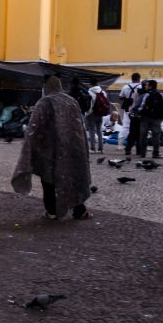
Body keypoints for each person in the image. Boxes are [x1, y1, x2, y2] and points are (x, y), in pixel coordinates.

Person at [12, 76, 92, 220]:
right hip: (72, 148)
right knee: (73, 177)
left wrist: (29, 145)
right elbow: (79, 127)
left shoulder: (45, 102)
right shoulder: (71, 101)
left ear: (46, 86)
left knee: (48, 180)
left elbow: (33, 127)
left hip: (49, 150)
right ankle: (79, 210)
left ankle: (52, 211)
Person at [133, 79, 163, 159]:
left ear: (150, 86)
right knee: (156, 135)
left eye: (147, 85)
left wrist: (138, 114)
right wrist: (162, 117)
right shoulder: (160, 95)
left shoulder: (146, 95)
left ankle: (142, 153)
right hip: (157, 118)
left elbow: (142, 106)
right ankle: (156, 153)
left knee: (143, 135)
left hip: (145, 118)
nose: (145, 86)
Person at [119, 72, 143, 154]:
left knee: (125, 126)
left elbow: (120, 97)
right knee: (138, 129)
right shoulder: (141, 87)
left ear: (131, 78)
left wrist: (127, 98)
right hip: (138, 111)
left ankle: (121, 143)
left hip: (127, 109)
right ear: (139, 79)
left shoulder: (125, 87)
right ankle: (138, 148)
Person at [85, 83, 109, 153]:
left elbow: (89, 104)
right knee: (99, 130)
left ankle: (92, 148)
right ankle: (100, 148)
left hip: (91, 114)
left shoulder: (89, 92)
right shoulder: (103, 92)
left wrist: (87, 113)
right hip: (100, 113)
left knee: (92, 131)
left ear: (91, 84)